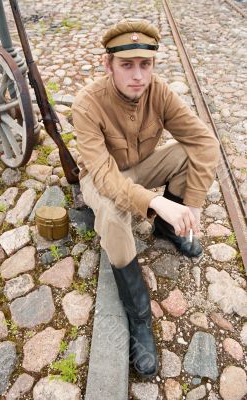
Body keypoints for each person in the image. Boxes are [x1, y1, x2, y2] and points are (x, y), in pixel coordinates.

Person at [72, 19, 220, 378]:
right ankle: (139, 317)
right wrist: (154, 202)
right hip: (101, 177)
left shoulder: (160, 93)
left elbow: (205, 142)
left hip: (142, 167)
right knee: (110, 209)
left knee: (187, 153)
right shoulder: (88, 103)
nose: (138, 75)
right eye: (127, 65)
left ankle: (167, 230)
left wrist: (192, 205)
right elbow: (105, 176)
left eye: (146, 64)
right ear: (108, 65)